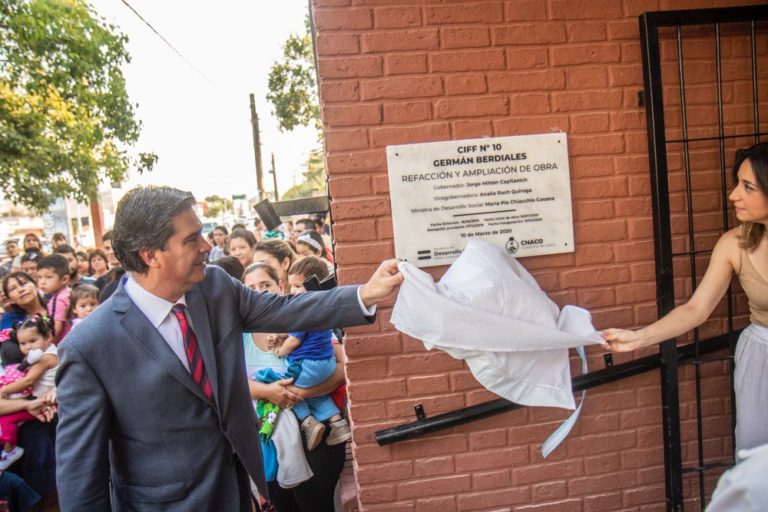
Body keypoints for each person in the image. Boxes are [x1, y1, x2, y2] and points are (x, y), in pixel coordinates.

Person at [55, 185, 402, 511]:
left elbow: (285, 310)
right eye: (192, 239)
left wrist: (365, 294)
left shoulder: (215, 288)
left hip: (237, 490)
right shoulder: (89, 348)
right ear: (151, 255)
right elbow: (81, 472)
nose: (207, 246)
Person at [603, 142, 768, 456]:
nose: (733, 195)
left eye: (747, 187)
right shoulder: (734, 244)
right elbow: (696, 309)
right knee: (759, 468)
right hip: (762, 360)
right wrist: (639, 337)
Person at [242, 262, 347, 512]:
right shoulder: (240, 335)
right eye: (251, 288)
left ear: (280, 286)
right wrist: (268, 392)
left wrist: (302, 393)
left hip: (316, 434)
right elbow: (230, 383)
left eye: (265, 284)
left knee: (316, 505)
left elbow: (343, 365)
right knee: (284, 505)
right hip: (270, 431)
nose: (259, 291)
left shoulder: (302, 320)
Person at [257, 256, 351, 451]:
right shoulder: (320, 310)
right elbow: (295, 333)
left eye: (299, 286)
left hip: (308, 364)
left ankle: (308, 422)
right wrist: (279, 335)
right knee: (314, 394)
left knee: (278, 384)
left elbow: (294, 340)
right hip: (325, 364)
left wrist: (279, 351)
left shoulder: (304, 311)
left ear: (315, 286)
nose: (294, 291)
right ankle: (337, 423)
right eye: (292, 286)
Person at [0, 317, 58, 470]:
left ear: (48, 336)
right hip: (39, 399)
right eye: (23, 343)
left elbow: (28, 381)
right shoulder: (42, 354)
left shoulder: (46, 357)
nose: (28, 347)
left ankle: (10, 450)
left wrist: (5, 390)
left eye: (33, 341)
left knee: (8, 419)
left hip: (45, 402)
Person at [36, 254, 71, 343]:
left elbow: (56, 328)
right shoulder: (68, 293)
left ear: (64, 279)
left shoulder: (58, 300)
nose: (42, 282)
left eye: (48, 277)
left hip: (63, 343)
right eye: (39, 277)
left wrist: (46, 346)